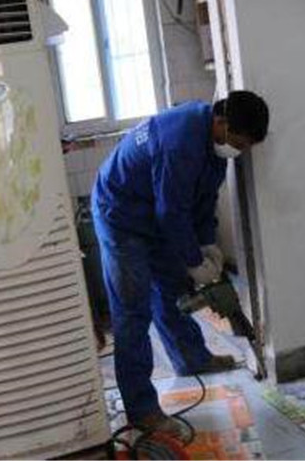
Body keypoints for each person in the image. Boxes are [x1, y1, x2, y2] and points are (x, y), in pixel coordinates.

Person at [91, 90, 269, 438]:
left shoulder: (214, 146)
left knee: (173, 288)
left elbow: (202, 203)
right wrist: (193, 260)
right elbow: (172, 212)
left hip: (153, 215)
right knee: (132, 311)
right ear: (221, 122)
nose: (238, 152)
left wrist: (207, 244)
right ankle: (142, 409)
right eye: (238, 143)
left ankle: (191, 358)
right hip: (121, 216)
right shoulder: (180, 140)